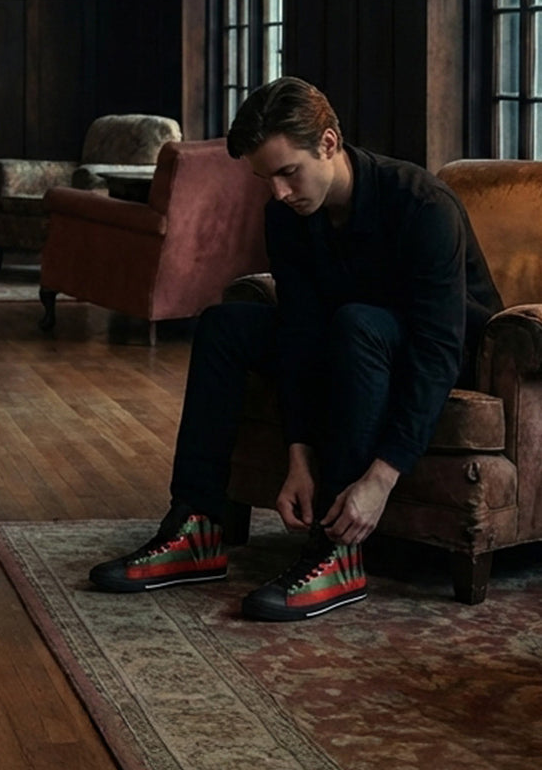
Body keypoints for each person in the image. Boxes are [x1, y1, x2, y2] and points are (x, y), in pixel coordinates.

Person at [89, 77, 502, 621]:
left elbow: (437, 351)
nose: (279, 192)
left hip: (449, 352)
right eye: (266, 179)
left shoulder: (423, 205)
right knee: (224, 324)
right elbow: (300, 333)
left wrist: (379, 480)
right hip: (347, 341)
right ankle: (198, 528)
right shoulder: (287, 215)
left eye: (288, 172)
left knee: (355, 323)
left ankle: (337, 553)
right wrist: (299, 454)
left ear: (328, 144)